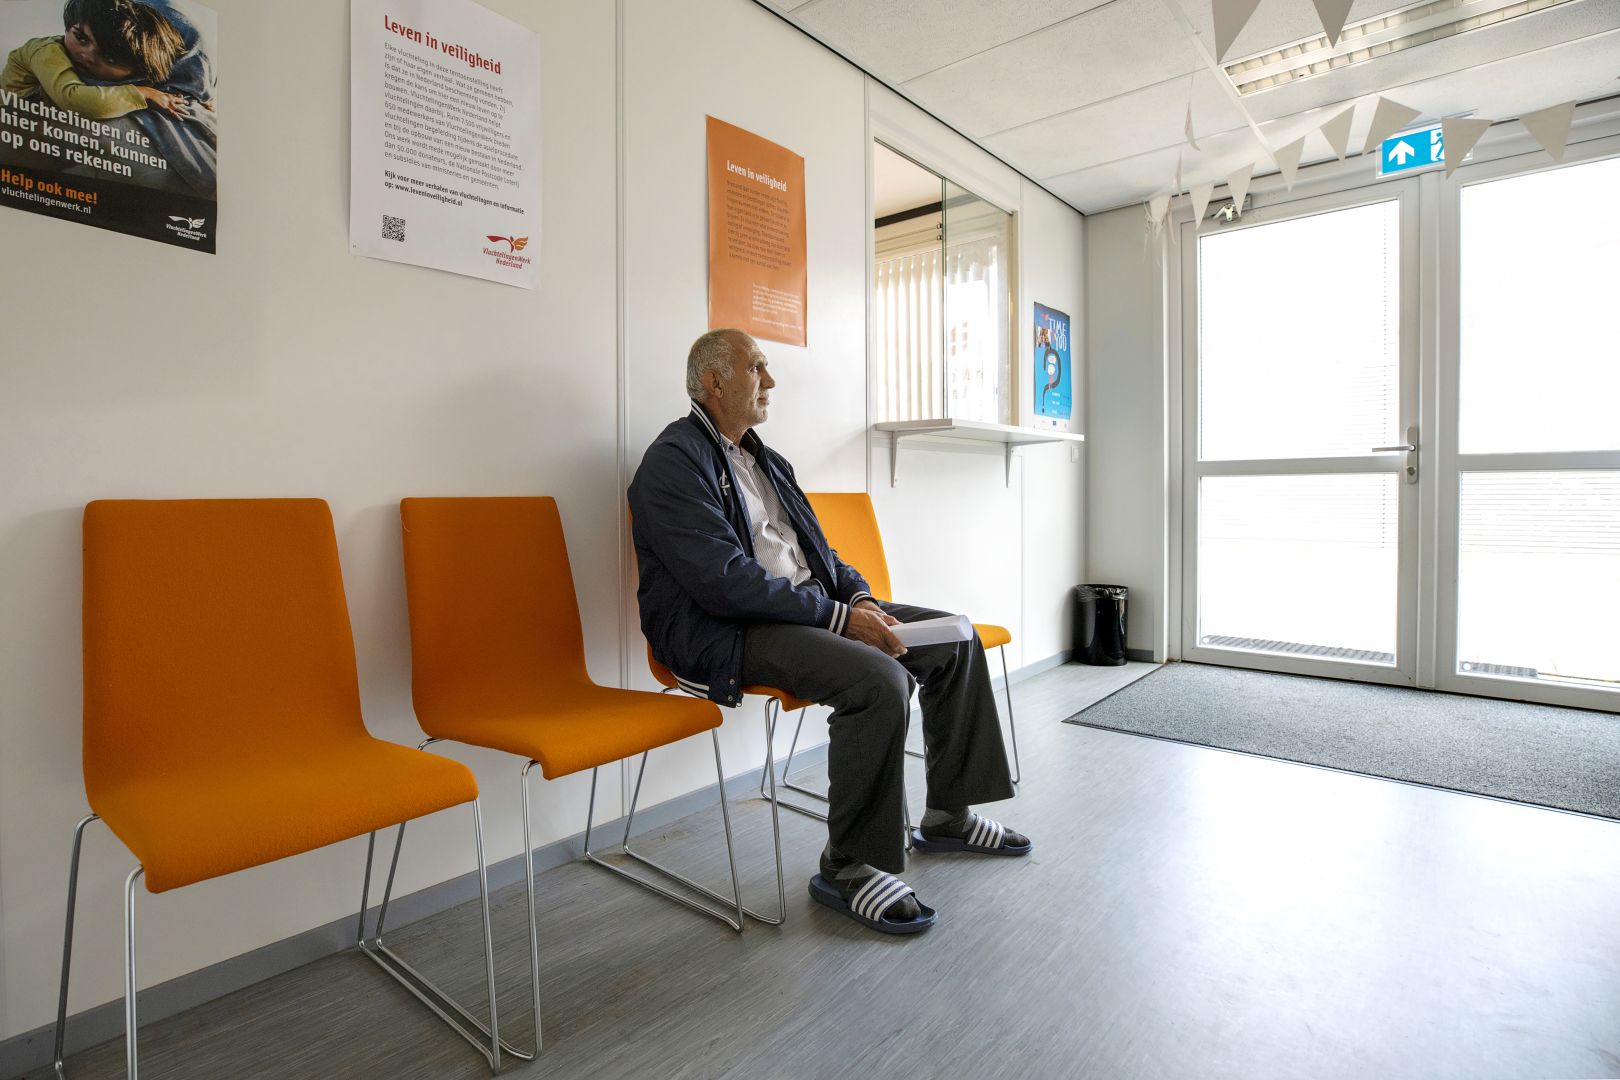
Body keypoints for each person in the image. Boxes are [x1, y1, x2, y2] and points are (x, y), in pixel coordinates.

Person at [628, 328, 1030, 936]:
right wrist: (843, 620)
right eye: (757, 368)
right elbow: (722, 583)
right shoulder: (672, 463)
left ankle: (948, 814)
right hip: (727, 630)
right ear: (714, 382)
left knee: (956, 636)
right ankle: (849, 864)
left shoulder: (766, 459)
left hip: (806, 609)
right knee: (879, 679)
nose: (770, 381)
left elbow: (819, 552)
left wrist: (859, 597)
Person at [2, 0, 189, 120]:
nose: (86, 55)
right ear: (69, 27)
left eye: (109, 58)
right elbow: (74, 100)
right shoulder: (47, 51)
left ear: (136, 72)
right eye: (81, 38)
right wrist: (143, 94)